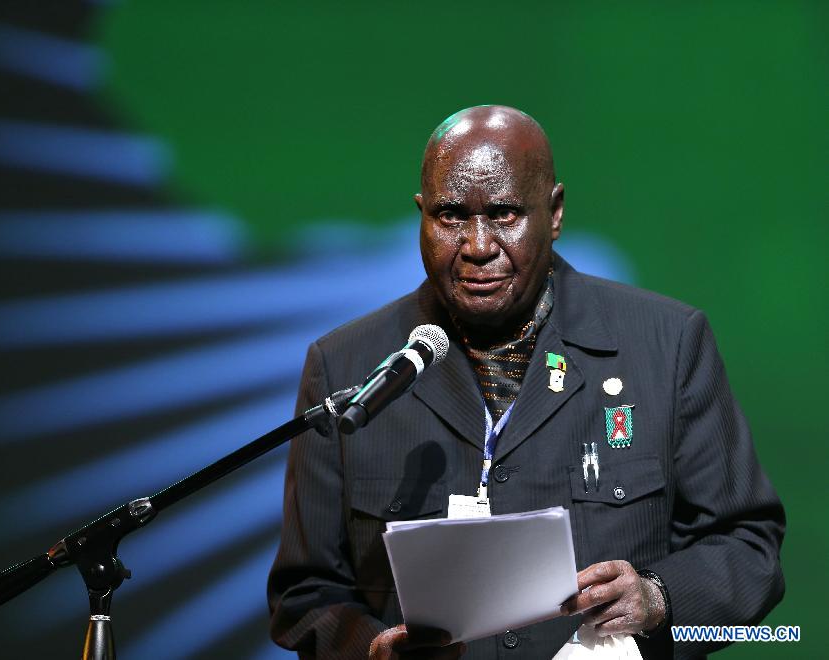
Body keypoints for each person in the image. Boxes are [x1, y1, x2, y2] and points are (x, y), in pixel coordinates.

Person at [267, 105, 785, 659]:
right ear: (421, 214)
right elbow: (304, 593)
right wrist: (368, 648)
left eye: (505, 214)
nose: (478, 245)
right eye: (449, 216)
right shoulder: (346, 370)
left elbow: (750, 548)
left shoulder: (668, 344)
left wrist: (659, 599)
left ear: (555, 212)